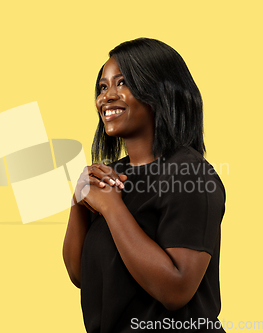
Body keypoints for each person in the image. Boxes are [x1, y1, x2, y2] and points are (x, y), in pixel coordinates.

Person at [63, 38, 226, 333]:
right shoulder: (110, 175)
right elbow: (81, 276)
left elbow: (176, 291)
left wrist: (111, 207)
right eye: (102, 87)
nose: (107, 97)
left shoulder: (189, 174)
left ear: (159, 90)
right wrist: (79, 200)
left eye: (122, 83)